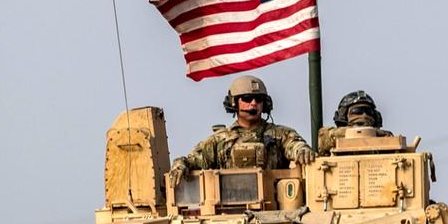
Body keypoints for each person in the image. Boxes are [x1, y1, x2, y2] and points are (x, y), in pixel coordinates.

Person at [168, 75, 314, 183]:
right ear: (234, 103)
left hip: (275, 206)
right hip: (230, 209)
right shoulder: (219, 140)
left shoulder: (280, 135)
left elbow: (295, 145)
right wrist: (180, 165)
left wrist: (302, 150)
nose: (253, 103)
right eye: (247, 98)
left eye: (258, 99)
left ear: (265, 104)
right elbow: (193, 160)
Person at [317, 90, 393, 155]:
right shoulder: (331, 137)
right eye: (357, 111)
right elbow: (324, 136)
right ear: (343, 115)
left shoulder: (384, 138)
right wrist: (365, 132)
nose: (364, 115)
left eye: (369, 112)